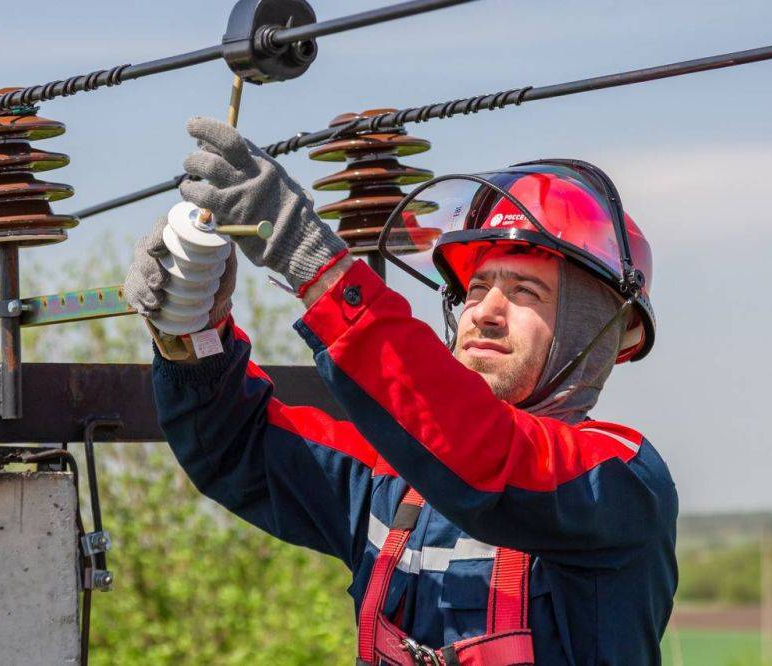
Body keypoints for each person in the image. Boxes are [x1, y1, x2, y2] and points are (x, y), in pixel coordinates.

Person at [124, 118, 678, 665]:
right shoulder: (392, 483)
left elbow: (483, 455)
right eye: (477, 286)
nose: (482, 312)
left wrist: (311, 259)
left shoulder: (619, 482)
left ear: (595, 331)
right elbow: (236, 446)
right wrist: (193, 330)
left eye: (524, 290)